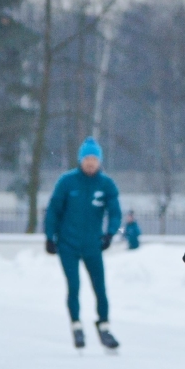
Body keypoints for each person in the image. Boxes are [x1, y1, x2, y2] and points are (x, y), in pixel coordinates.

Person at [43, 138, 122, 350]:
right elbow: (54, 210)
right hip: (68, 244)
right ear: (80, 160)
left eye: (94, 159)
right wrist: (49, 236)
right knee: (74, 286)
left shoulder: (106, 185)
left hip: (92, 245)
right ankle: (76, 325)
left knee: (100, 287)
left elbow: (115, 212)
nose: (90, 163)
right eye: (87, 158)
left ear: (100, 161)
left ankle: (104, 325)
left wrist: (109, 234)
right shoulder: (67, 182)